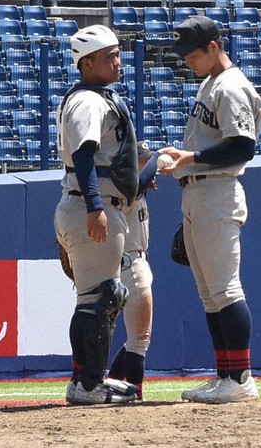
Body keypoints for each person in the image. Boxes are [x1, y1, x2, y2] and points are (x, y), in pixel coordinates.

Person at [157, 15, 261, 404]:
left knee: (225, 289)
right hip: (198, 192)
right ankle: (226, 375)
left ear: (214, 48)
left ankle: (240, 378)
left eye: (192, 53)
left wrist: (192, 158)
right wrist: (185, 160)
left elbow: (242, 146)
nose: (187, 60)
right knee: (210, 295)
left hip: (217, 192)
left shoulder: (232, 87)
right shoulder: (210, 82)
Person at [54, 24, 140, 405]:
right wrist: (95, 207)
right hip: (92, 205)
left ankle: (85, 381)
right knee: (99, 299)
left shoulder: (95, 96)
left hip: (97, 202)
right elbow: (85, 155)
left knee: (99, 298)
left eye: (118, 53)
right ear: (87, 64)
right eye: (110, 56)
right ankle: (89, 385)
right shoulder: (88, 100)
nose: (118, 61)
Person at [107, 142, 160, 401]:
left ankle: (113, 383)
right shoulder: (124, 184)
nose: (147, 164)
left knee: (134, 339)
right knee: (140, 339)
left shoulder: (133, 187)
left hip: (133, 263)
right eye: (143, 160)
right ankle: (135, 394)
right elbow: (140, 180)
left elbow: (143, 182)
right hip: (131, 264)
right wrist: (159, 158)